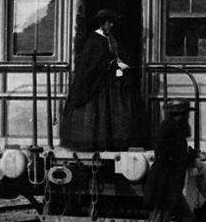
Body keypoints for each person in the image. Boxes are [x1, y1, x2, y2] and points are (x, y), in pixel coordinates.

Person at [61, 8, 144, 150]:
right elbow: (91, 63)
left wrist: (123, 67)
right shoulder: (94, 40)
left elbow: (118, 57)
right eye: (109, 23)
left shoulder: (111, 38)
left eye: (112, 23)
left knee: (124, 106)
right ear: (102, 24)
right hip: (99, 84)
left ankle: (118, 141)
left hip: (114, 80)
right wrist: (107, 65)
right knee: (100, 112)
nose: (111, 26)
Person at [143, 99, 205, 222]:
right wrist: (190, 157)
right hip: (164, 186)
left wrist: (192, 155)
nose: (188, 117)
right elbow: (172, 156)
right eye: (186, 114)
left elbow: (178, 154)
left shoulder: (172, 129)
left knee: (187, 220)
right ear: (181, 115)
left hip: (170, 186)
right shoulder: (170, 129)